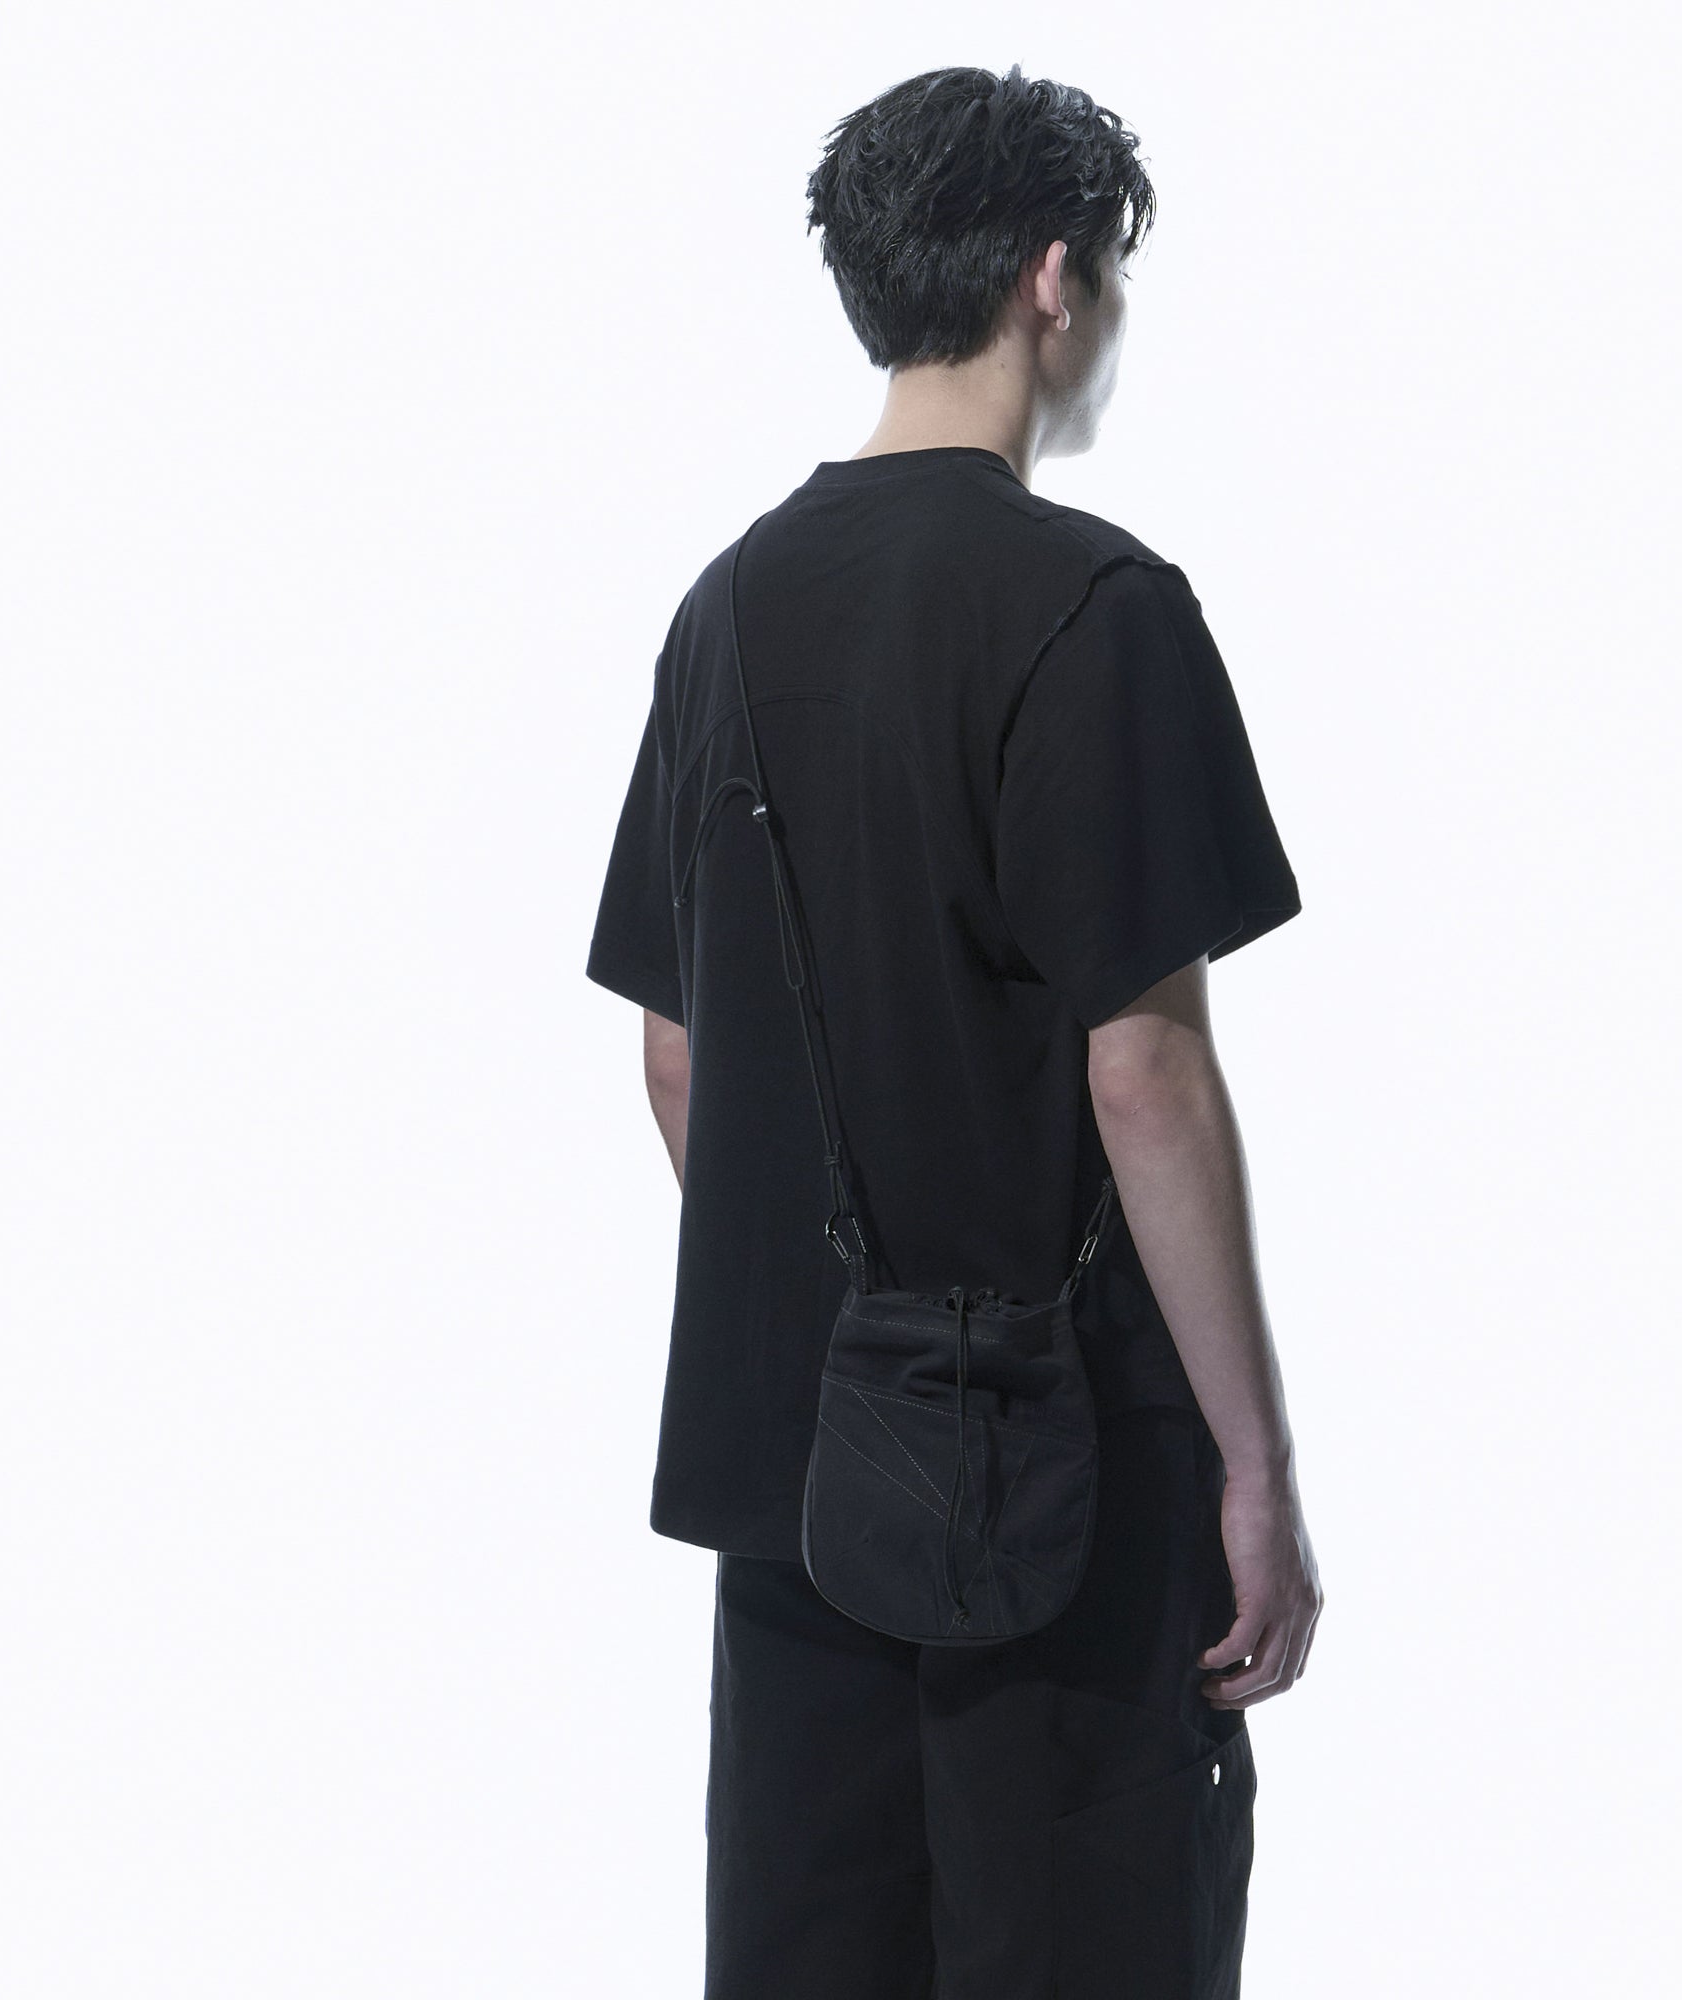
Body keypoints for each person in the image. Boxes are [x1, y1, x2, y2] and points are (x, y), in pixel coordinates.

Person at [586, 63, 1323, 2000]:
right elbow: (1142, 1069)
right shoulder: (1096, 605)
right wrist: (1254, 1468)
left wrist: (855, 1325)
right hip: (1067, 1473)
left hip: (803, 1459)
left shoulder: (726, 610)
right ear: (1054, 277)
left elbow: (676, 1054)